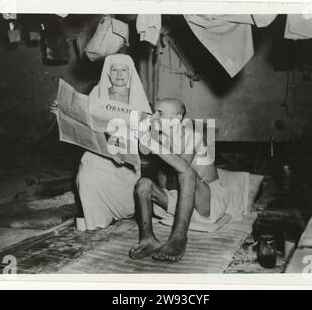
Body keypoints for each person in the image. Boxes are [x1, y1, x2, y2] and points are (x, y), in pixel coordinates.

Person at [51, 54, 151, 231]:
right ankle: (96, 220)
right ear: (108, 73)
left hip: (125, 156)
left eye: (124, 70)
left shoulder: (137, 98)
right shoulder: (98, 93)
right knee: (86, 173)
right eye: (115, 69)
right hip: (99, 151)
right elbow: (84, 119)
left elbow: (145, 147)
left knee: (126, 199)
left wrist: (148, 129)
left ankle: (122, 210)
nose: (119, 74)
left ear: (130, 73)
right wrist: (62, 111)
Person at [129, 98, 227, 262]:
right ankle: (148, 239)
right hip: (180, 203)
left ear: (178, 119)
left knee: (186, 173)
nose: (153, 117)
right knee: (143, 184)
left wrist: (149, 140)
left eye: (160, 113)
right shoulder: (161, 139)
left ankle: (178, 238)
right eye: (153, 112)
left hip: (208, 204)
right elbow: (147, 155)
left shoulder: (194, 137)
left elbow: (183, 166)